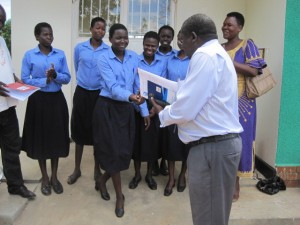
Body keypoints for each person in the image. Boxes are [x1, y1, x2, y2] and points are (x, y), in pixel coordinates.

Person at [151, 14, 243, 225]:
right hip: (217, 145)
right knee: (212, 215)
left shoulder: (204, 55)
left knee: (208, 217)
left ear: (193, 37)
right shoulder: (216, 53)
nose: (181, 46)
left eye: (181, 40)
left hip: (213, 148)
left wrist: (163, 112)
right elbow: (199, 98)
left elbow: (187, 109)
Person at [93, 23, 149, 218]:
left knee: (124, 151)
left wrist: (143, 111)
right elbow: (113, 86)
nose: (122, 41)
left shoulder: (134, 57)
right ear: (110, 39)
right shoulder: (103, 59)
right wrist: (132, 97)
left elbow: (137, 85)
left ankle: (102, 180)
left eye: (125, 37)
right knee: (113, 151)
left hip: (125, 109)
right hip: (107, 108)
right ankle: (120, 196)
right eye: (118, 38)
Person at [21, 22, 71, 196]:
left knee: (56, 139)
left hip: (57, 101)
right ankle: (44, 178)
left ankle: (54, 177)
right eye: (45, 34)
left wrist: (56, 75)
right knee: (41, 140)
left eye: (50, 34)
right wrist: (44, 81)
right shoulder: (29, 55)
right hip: (38, 102)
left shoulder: (60, 55)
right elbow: (25, 79)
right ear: (37, 36)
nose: (49, 37)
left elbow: (67, 78)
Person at [221, 12, 267, 202]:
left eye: (229, 25)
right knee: (223, 141)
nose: (225, 27)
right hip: (222, 102)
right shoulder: (219, 47)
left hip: (243, 103)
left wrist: (230, 62)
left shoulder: (247, 45)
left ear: (239, 27)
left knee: (240, 142)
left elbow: (255, 70)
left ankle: (236, 182)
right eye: (224, 24)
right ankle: (224, 179)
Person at [67, 17, 109, 186]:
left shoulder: (107, 51)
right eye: (97, 28)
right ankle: (77, 169)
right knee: (79, 131)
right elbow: (78, 68)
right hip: (82, 93)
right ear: (91, 29)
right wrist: (85, 82)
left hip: (99, 94)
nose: (100, 31)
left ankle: (97, 170)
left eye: (103, 29)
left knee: (97, 131)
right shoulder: (80, 48)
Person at [0, 4, 36, 200]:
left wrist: (16, 80)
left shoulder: (1, 40)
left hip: (7, 105)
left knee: (12, 147)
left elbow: (6, 68)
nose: (0, 25)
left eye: (2, 22)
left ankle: (15, 185)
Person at [129, 31, 166, 191]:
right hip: (138, 106)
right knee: (136, 144)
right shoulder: (135, 61)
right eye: (147, 45)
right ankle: (137, 174)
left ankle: (149, 175)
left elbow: (162, 87)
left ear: (157, 46)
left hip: (155, 107)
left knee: (152, 144)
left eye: (153, 46)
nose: (150, 48)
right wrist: (143, 110)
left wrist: (155, 109)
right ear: (143, 44)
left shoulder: (162, 62)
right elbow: (135, 86)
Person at [163, 30, 190, 196]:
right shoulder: (169, 59)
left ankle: (182, 175)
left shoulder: (195, 59)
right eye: (179, 39)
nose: (181, 41)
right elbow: (164, 81)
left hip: (189, 107)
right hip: (172, 106)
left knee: (187, 144)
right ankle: (171, 178)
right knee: (171, 144)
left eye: (183, 38)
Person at [153, 25, 178, 176]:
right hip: (156, 97)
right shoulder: (152, 52)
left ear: (172, 38)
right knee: (156, 131)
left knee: (167, 132)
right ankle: (155, 161)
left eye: (168, 37)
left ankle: (164, 163)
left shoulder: (177, 55)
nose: (165, 39)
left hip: (171, 99)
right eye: (163, 36)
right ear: (158, 36)